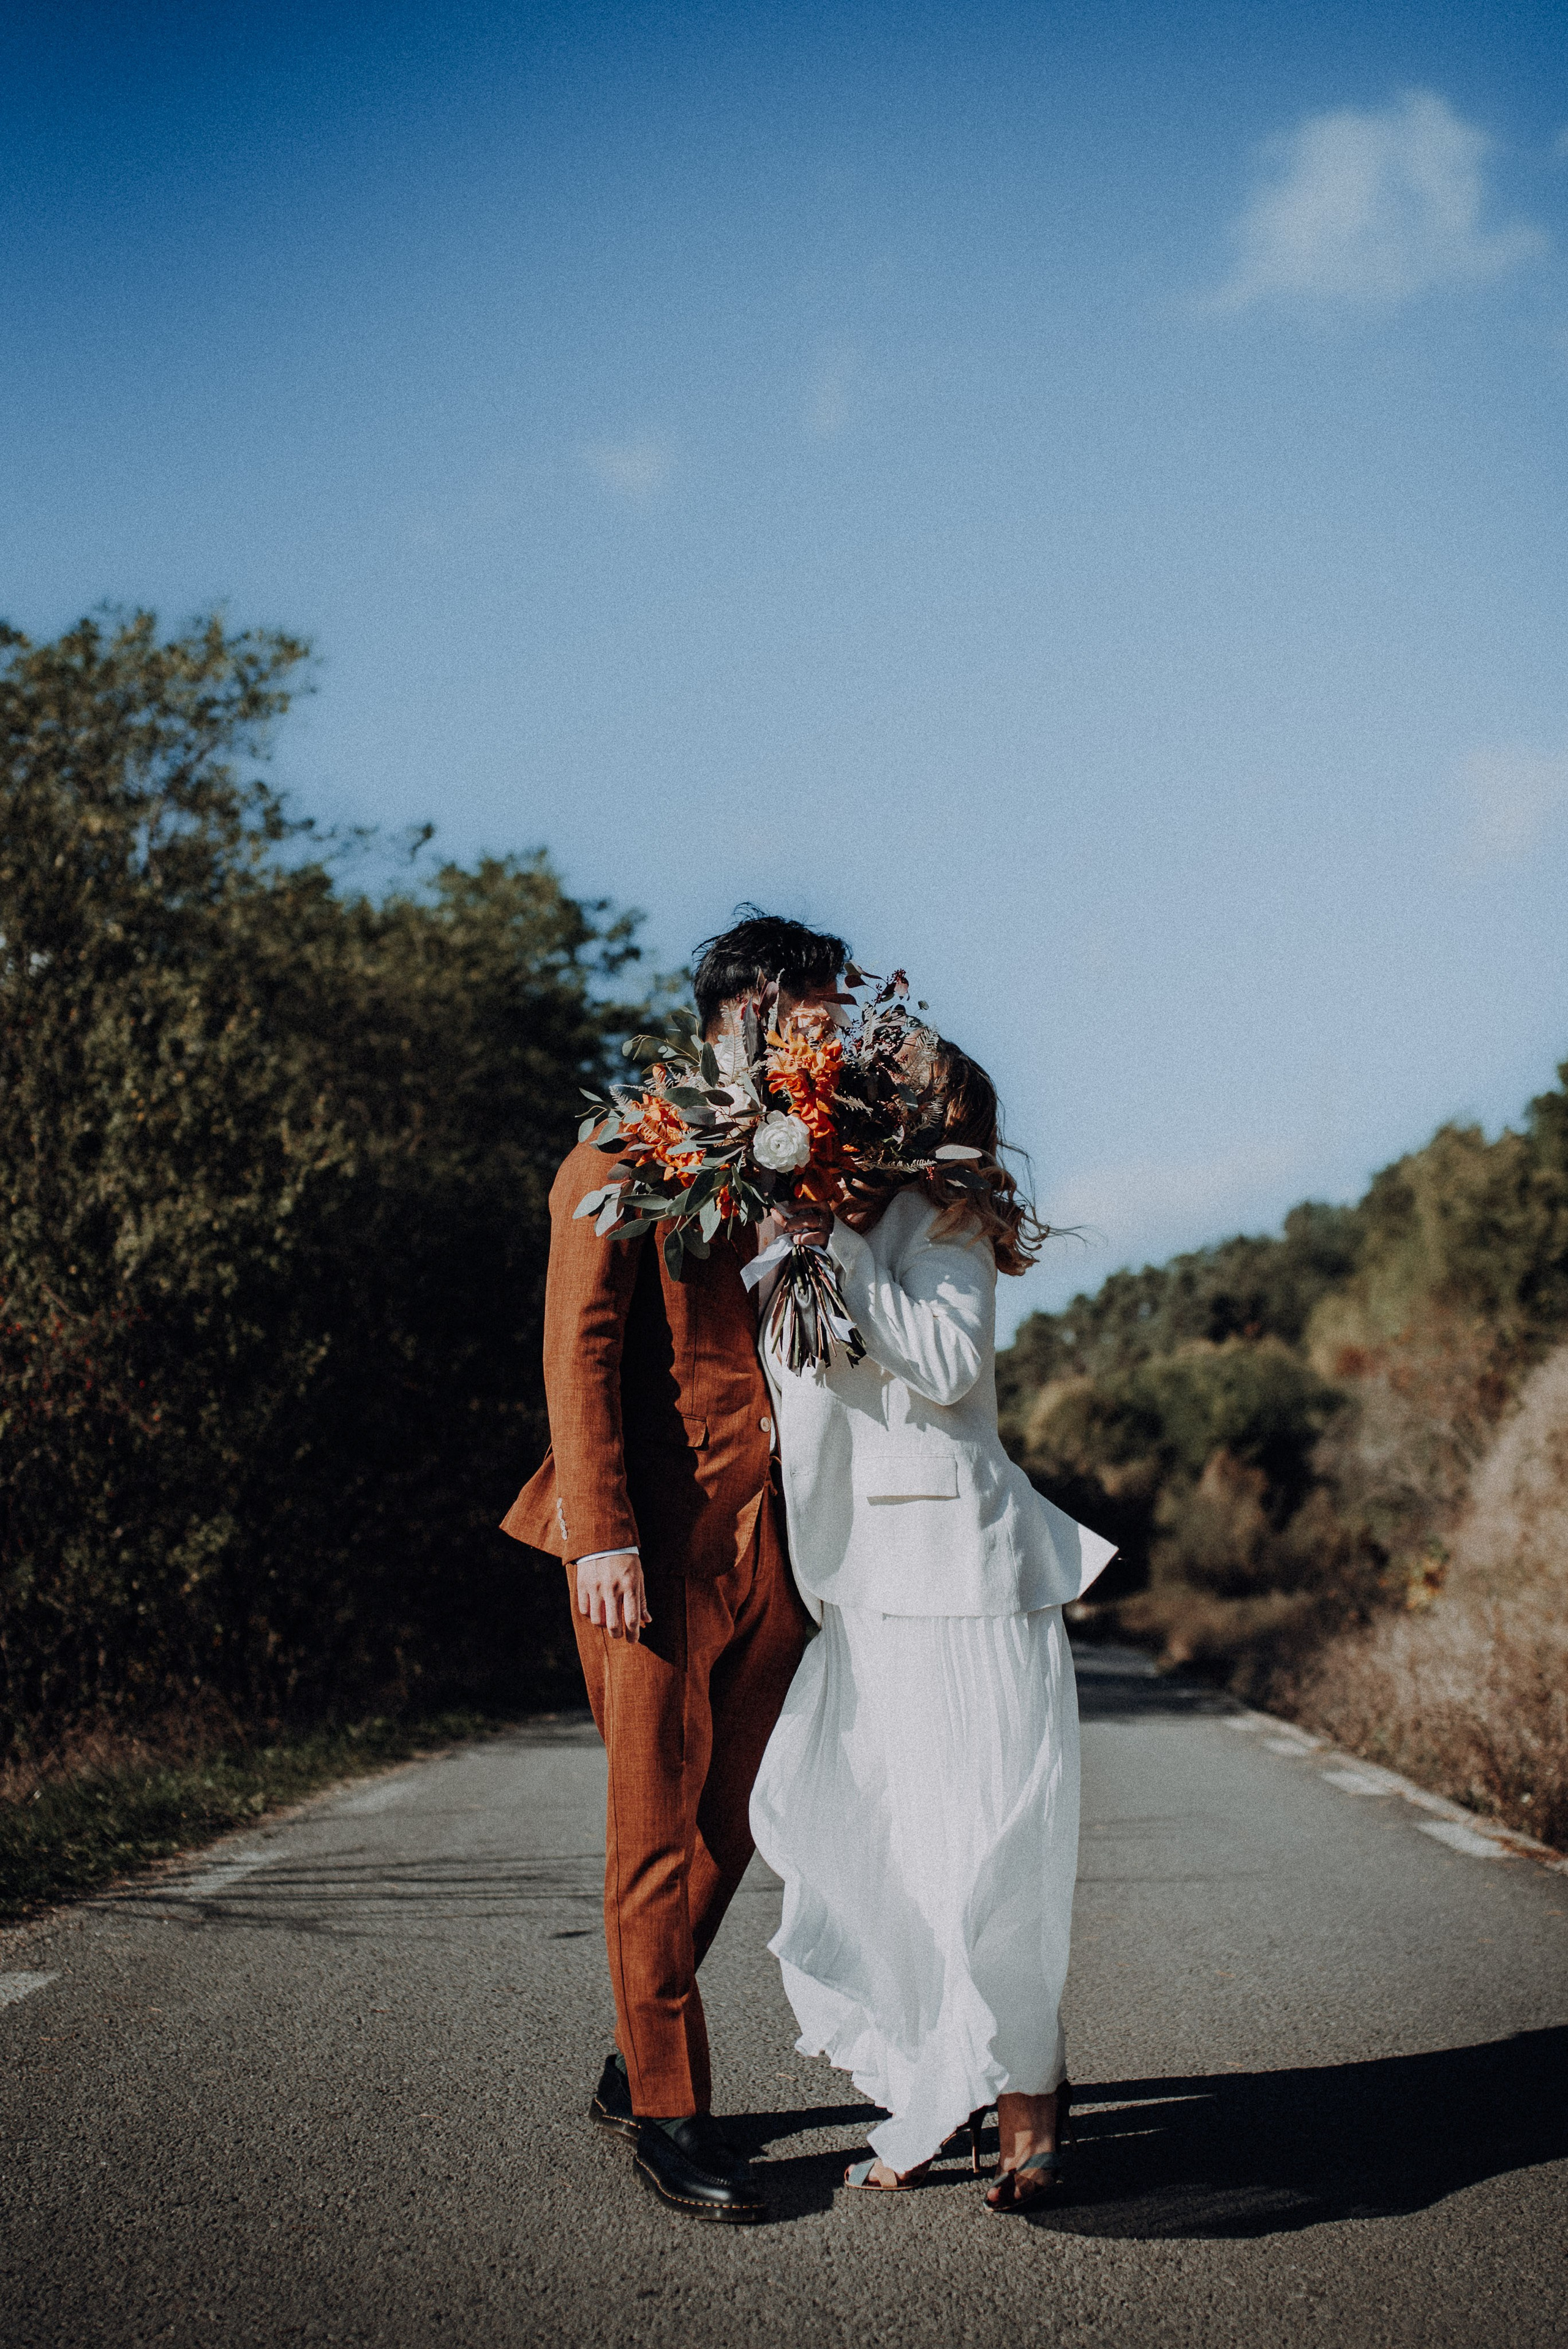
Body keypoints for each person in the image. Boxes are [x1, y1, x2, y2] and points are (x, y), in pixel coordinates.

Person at [500, 911, 846, 2223]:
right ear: (747, 1007)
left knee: (736, 1819)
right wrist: (599, 1533)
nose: (828, 1034)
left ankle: (634, 2054)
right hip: (648, 1544)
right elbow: (576, 1349)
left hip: (779, 1546)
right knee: (649, 1831)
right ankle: (668, 2107)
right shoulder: (620, 1141)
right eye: (812, 1012)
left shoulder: (803, 1154)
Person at [749, 1037, 1116, 2210]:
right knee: (895, 1850)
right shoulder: (823, 1225)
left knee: (990, 1849)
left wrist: (840, 1247)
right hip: (867, 1576)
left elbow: (949, 1367)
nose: (858, 1103)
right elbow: (811, 1394)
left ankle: (1030, 2110)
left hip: (963, 1575)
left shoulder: (946, 1220)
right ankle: (927, 2095)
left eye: (878, 1090)